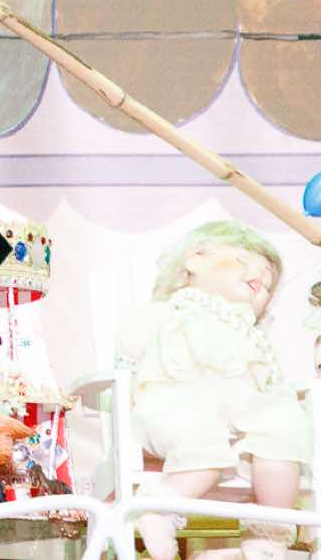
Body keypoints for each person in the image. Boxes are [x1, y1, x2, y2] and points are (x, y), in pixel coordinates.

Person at [121, 220, 310, 560]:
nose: (261, 279)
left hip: (240, 413)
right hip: (174, 401)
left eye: (268, 286)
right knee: (203, 437)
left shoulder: (247, 331)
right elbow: (131, 346)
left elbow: (262, 381)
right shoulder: (170, 310)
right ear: (195, 259)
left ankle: (270, 531)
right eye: (244, 261)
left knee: (284, 427)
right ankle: (161, 507)